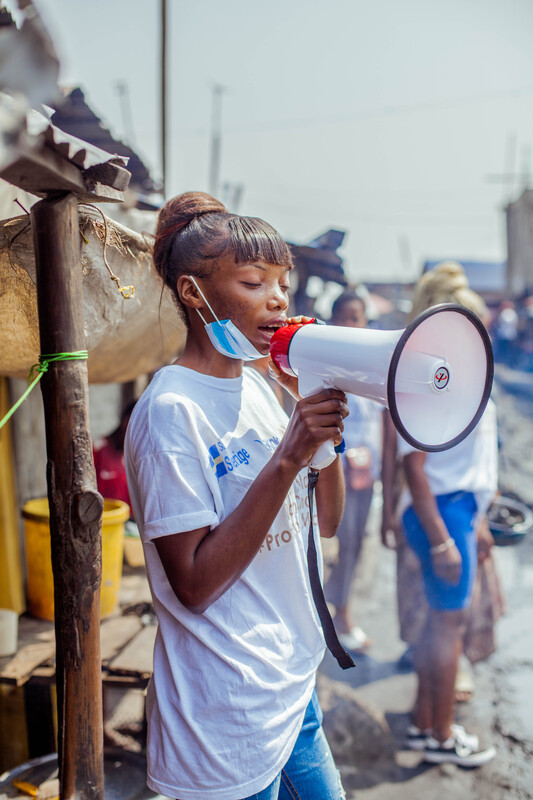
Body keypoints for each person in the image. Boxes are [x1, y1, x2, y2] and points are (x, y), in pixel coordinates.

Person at [124, 191, 350, 800]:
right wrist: (287, 454)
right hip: (224, 721)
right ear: (194, 292)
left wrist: (316, 427)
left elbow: (326, 523)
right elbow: (193, 585)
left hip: (290, 693)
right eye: (254, 281)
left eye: (283, 282)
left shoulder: (261, 390)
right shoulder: (171, 411)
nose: (278, 298)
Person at [389, 262, 498, 767]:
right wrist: (441, 539)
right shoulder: (438, 382)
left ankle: (423, 725)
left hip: (455, 513)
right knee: (446, 630)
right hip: (442, 513)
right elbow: (415, 466)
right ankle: (441, 735)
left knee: (440, 628)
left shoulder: (458, 378)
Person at [324, 292, 383, 651]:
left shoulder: (375, 366)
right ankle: (339, 615)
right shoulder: (326, 367)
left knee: (356, 544)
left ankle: (339, 606)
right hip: (335, 476)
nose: (350, 323)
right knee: (341, 546)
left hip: (365, 476)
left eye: (356, 317)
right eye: (343, 316)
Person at [93, 401, 136, 513]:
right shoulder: (98, 450)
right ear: (126, 421)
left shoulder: (136, 457)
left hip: (129, 525)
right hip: (103, 523)